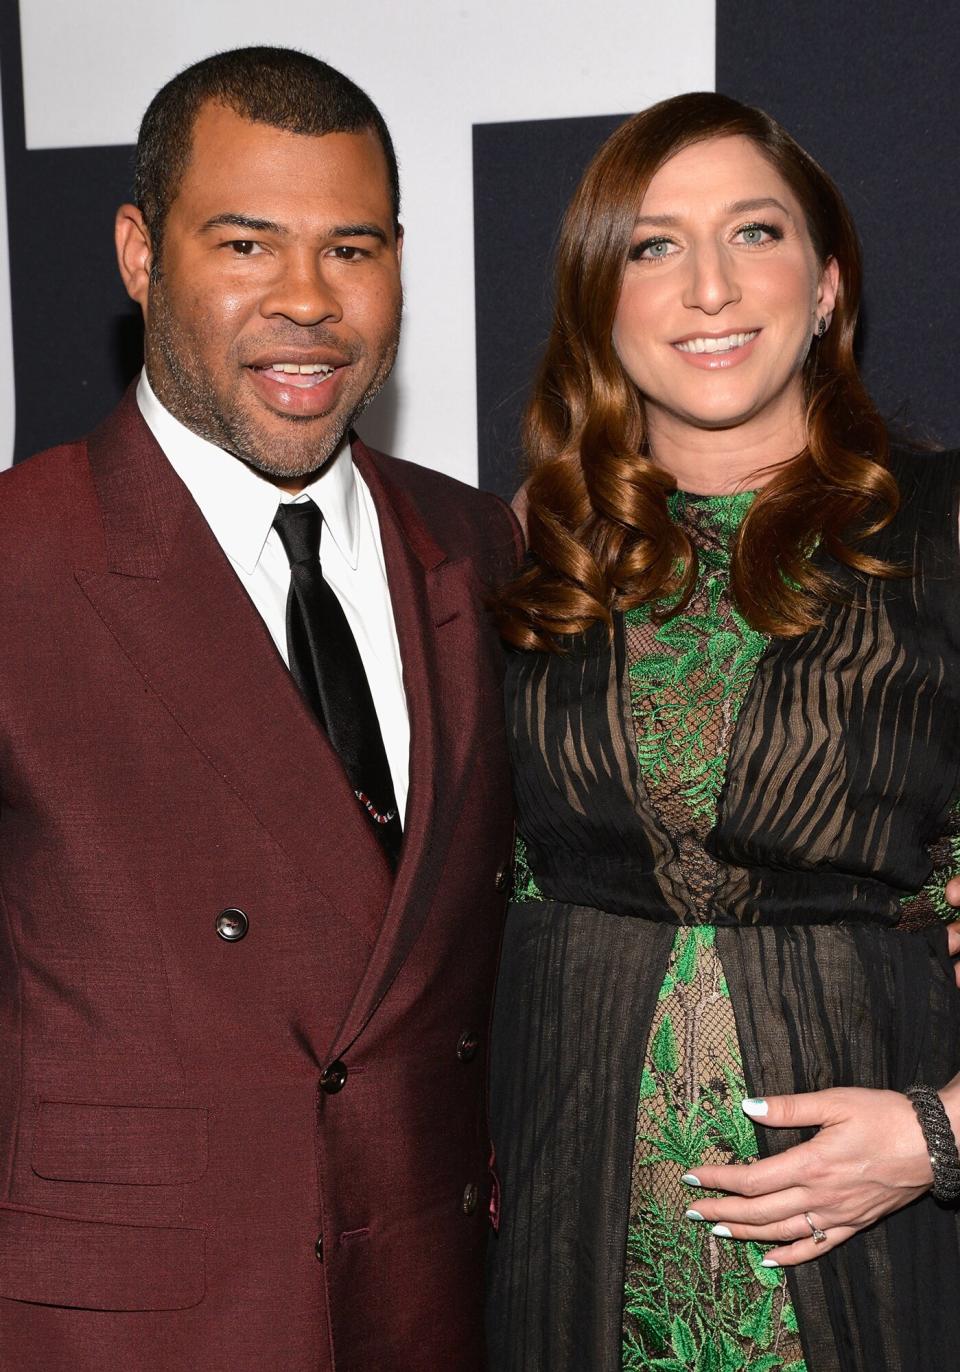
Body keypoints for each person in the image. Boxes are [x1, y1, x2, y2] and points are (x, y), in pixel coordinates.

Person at [0, 47, 520, 1372]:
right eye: (246, 242)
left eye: (351, 249)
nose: (307, 301)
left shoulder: (481, 548)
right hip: (121, 1324)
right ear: (137, 253)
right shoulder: (19, 559)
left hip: (430, 1308)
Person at [487, 92, 960, 1372]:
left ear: (826, 287)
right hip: (559, 1237)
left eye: (754, 234)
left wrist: (940, 1136)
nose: (707, 287)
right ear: (600, 299)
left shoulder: (942, 531)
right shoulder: (523, 556)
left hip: (866, 1247)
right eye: (652, 245)